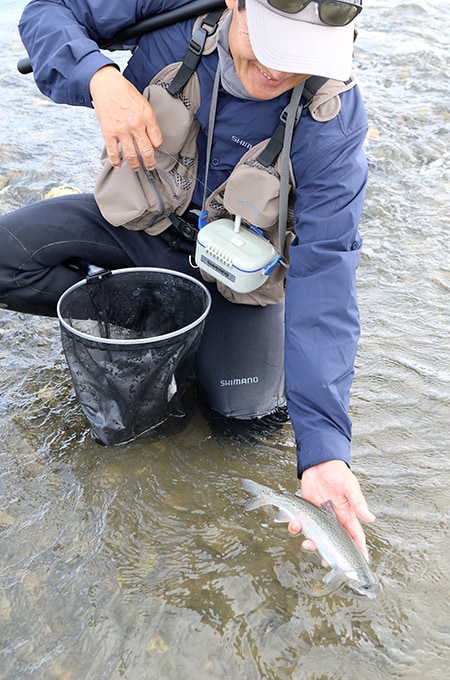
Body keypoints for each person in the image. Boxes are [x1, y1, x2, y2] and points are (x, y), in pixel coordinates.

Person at [0, 0, 375, 559]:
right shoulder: (176, 11)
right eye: (271, 45)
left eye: (302, 56)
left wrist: (323, 451)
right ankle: (149, 310)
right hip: (143, 229)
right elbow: (47, 14)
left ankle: (176, 325)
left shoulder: (334, 121)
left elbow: (326, 284)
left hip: (237, 277)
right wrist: (100, 79)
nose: (279, 71)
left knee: (243, 423)